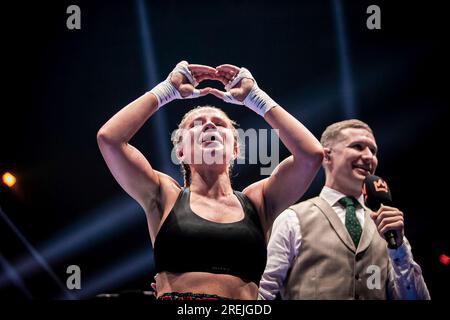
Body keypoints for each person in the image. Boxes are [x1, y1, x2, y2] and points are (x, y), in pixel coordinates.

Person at [97, 61, 324, 300]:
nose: (207, 124)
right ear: (180, 151)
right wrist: (167, 90)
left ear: (235, 149)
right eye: (195, 124)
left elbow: (311, 156)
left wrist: (256, 99)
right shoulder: (164, 195)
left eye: (219, 124)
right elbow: (110, 139)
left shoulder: (259, 201)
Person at [258, 119, 430, 300]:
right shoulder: (292, 219)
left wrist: (399, 249)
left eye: (373, 151)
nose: (369, 156)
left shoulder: (389, 229)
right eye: (358, 146)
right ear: (327, 155)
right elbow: (263, 292)